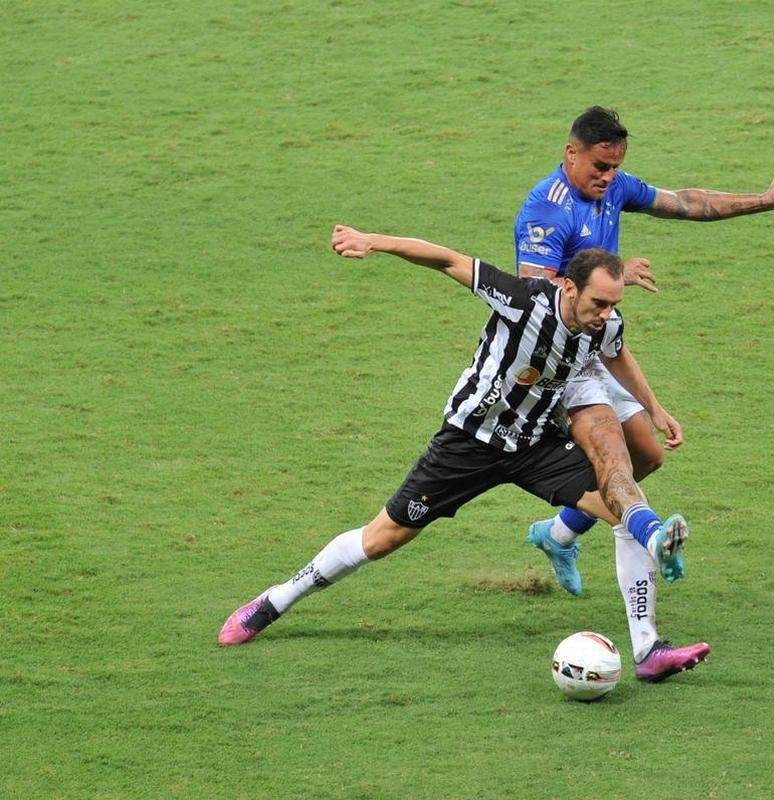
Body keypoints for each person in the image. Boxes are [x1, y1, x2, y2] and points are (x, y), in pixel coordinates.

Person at [217, 226, 708, 683]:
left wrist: (654, 407)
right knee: (383, 537)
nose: (605, 315)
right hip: (469, 443)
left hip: (535, 446)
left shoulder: (605, 322)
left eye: (612, 306)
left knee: (623, 503)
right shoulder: (522, 301)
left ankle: (649, 647)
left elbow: (616, 352)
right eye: (599, 303)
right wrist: (373, 241)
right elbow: (446, 259)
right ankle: (275, 601)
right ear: (569, 288)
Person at [516, 106, 774, 666]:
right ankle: (646, 643)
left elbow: (686, 202)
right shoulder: (543, 213)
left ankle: (561, 534)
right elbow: (535, 299)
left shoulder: (612, 189)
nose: (608, 176)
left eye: (617, 166)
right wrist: (612, 272)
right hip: (555, 364)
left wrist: (761, 201)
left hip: (596, 353)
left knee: (647, 456)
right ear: (571, 152)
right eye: (600, 165)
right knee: (623, 488)